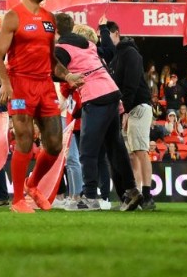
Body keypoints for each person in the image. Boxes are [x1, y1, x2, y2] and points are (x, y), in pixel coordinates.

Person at [0, 0, 83, 213]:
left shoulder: (49, 18)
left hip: (45, 85)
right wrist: (6, 84)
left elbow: (51, 57)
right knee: (24, 140)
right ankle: (18, 199)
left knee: (54, 144)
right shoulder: (13, 17)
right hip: (20, 83)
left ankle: (33, 184)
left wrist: (67, 75)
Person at [53, 16, 134, 210]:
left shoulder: (61, 48)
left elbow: (54, 71)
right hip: (111, 92)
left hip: (95, 96)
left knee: (88, 151)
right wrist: (103, 29)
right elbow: (108, 52)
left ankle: (89, 197)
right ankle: (132, 191)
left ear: (55, 30)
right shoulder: (87, 44)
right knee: (116, 147)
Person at [98, 18, 153, 211]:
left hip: (138, 107)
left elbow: (130, 85)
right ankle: (135, 193)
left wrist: (126, 111)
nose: (104, 40)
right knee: (131, 155)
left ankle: (147, 195)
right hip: (127, 109)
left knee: (140, 151)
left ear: (116, 33)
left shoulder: (130, 54)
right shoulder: (116, 56)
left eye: (107, 35)